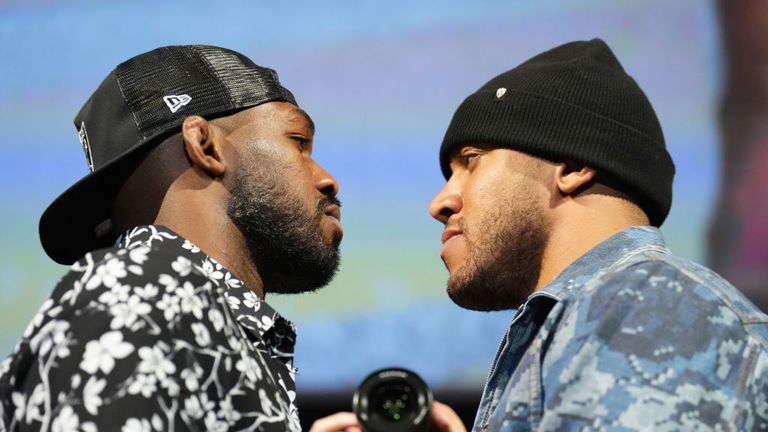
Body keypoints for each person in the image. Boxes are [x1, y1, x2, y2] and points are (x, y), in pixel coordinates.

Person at [311, 38, 768, 432]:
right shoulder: (590, 316)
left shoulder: (647, 307)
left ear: (571, 166)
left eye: (471, 160)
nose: (440, 202)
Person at [0, 45, 343, 431]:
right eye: (298, 141)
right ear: (204, 146)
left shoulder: (184, 317)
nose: (327, 179)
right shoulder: (134, 295)